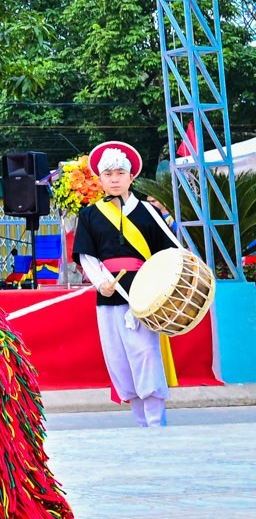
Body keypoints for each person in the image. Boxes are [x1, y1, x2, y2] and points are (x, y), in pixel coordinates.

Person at [73, 140, 180, 427]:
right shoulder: (90, 214)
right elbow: (87, 255)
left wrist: (159, 289)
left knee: (145, 354)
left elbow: (169, 255)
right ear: (100, 179)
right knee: (119, 359)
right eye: (108, 174)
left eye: (120, 173)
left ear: (131, 176)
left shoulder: (150, 212)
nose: (115, 179)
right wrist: (100, 282)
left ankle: (156, 422)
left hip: (144, 295)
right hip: (109, 294)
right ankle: (140, 422)